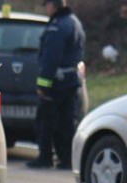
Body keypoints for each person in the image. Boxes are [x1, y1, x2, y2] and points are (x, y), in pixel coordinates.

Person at [27, 0, 85, 169]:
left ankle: (45, 157)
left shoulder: (57, 27)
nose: (46, 9)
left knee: (46, 121)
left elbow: (51, 59)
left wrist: (43, 86)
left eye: (46, 5)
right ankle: (66, 158)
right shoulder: (74, 22)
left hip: (56, 83)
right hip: (71, 80)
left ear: (52, 5)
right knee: (67, 121)